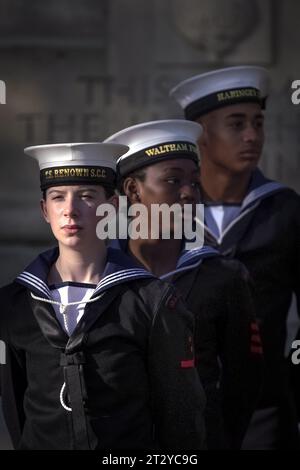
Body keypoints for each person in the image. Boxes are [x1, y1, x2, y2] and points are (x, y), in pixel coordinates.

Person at [0, 142, 206, 450]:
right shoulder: (14, 303)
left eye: (86, 196)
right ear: (45, 210)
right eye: (58, 197)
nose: (70, 210)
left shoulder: (150, 300)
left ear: (112, 207)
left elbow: (179, 415)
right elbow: (15, 408)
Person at [104, 120, 263, 449]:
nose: (190, 192)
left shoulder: (222, 276)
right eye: (173, 181)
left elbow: (244, 381)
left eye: (194, 181)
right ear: (133, 190)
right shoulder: (99, 276)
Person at [170, 65, 300, 449]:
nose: (252, 136)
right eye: (237, 124)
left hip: (265, 410)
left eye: (258, 123)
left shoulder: (286, 211)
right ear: (202, 136)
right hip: (182, 408)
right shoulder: (165, 216)